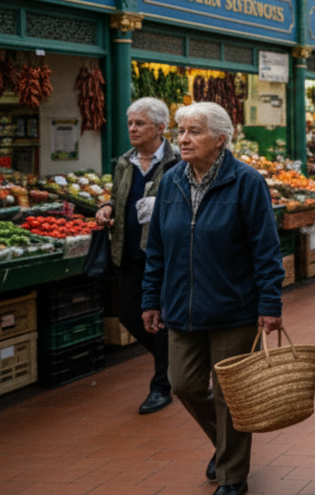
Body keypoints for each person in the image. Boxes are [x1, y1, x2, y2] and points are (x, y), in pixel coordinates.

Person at [141, 102, 285, 495]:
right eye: (180, 131)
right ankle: (224, 446)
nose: (183, 139)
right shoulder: (170, 181)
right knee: (183, 384)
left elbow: (266, 250)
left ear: (220, 139)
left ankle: (232, 477)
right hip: (180, 306)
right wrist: (150, 298)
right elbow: (157, 249)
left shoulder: (246, 182)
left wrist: (270, 305)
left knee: (230, 395)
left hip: (234, 308)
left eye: (194, 131)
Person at [94, 98, 180, 416]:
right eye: (130, 123)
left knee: (160, 315)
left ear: (159, 128)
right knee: (131, 315)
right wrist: (106, 208)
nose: (132, 128)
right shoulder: (124, 162)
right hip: (128, 252)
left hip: (164, 255)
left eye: (139, 123)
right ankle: (173, 363)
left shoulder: (176, 161)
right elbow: (118, 196)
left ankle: (161, 386)